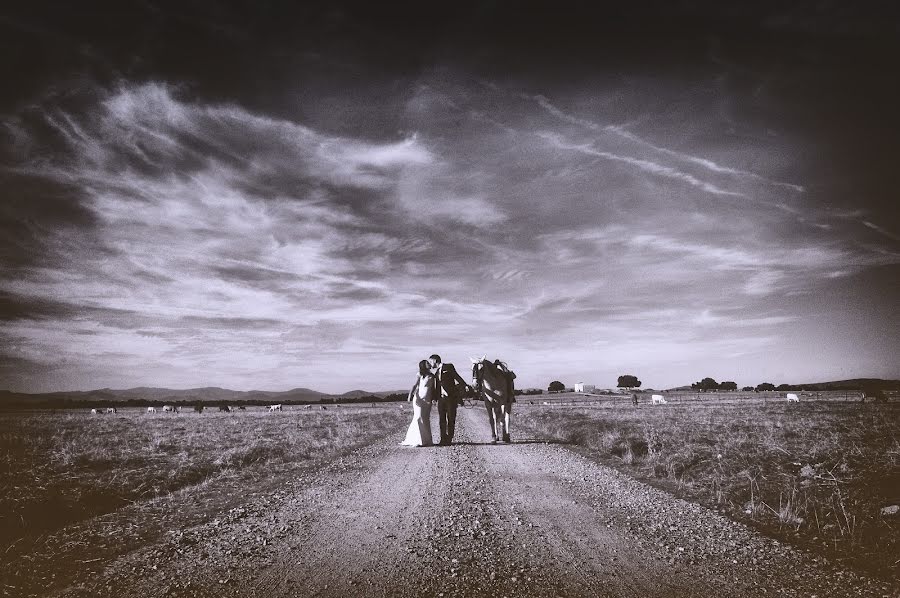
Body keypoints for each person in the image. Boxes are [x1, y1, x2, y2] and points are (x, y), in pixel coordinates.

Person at [429, 354, 468, 446]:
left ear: (435, 360)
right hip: (441, 399)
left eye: (431, 362)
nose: (430, 364)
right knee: (441, 419)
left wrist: (465, 385)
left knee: (451, 418)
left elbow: (457, 377)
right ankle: (443, 439)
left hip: (451, 398)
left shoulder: (449, 367)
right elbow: (436, 387)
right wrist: (434, 398)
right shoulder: (436, 373)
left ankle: (449, 439)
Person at [400, 360, 436, 447]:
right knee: (418, 417)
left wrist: (434, 399)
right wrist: (410, 396)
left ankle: (426, 440)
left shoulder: (433, 376)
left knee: (425, 419)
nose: (429, 364)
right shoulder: (420, 374)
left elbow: (434, 389)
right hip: (419, 399)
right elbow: (414, 385)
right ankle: (417, 440)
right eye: (427, 363)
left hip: (427, 400)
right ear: (423, 365)